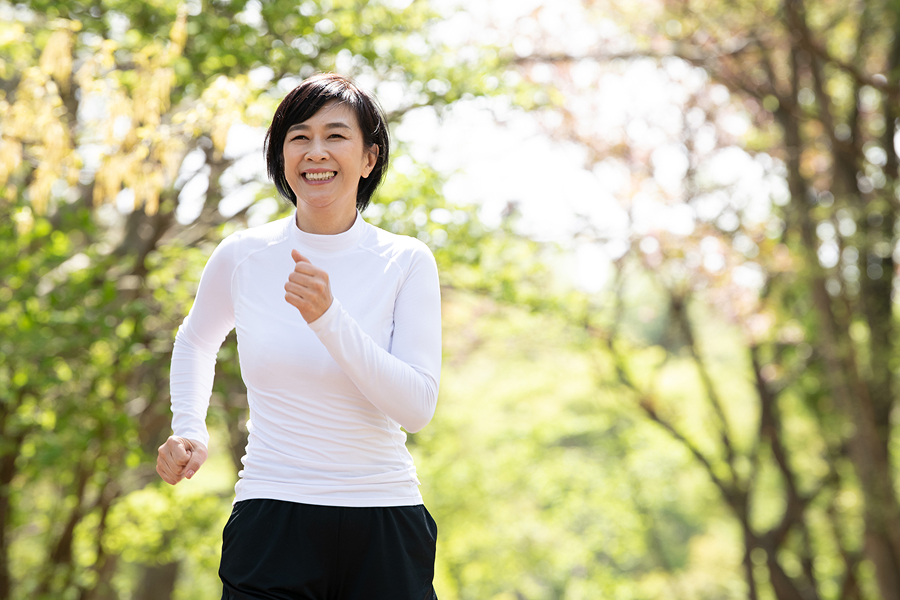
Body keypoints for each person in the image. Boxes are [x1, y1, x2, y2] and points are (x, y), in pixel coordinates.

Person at [156, 73, 442, 600]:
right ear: (281, 155)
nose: (316, 152)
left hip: (383, 517)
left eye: (336, 136)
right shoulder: (244, 255)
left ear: (369, 159)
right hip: (272, 512)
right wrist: (190, 428)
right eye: (299, 136)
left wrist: (329, 318)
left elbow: (417, 407)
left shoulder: (405, 261)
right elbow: (196, 340)